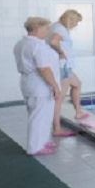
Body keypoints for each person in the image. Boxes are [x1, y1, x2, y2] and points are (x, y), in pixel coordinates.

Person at [13, 17, 62, 156]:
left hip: (28, 82)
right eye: (46, 28)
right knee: (39, 117)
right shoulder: (37, 46)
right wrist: (56, 87)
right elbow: (44, 69)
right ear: (36, 29)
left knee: (42, 115)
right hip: (39, 85)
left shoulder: (20, 43)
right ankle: (34, 147)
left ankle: (43, 142)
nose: (48, 31)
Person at [48, 9, 87, 133]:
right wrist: (60, 52)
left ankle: (78, 112)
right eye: (76, 22)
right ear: (70, 19)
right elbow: (53, 41)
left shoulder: (56, 26)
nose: (77, 25)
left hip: (65, 66)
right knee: (59, 98)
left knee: (77, 84)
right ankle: (57, 128)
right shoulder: (59, 29)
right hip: (62, 67)